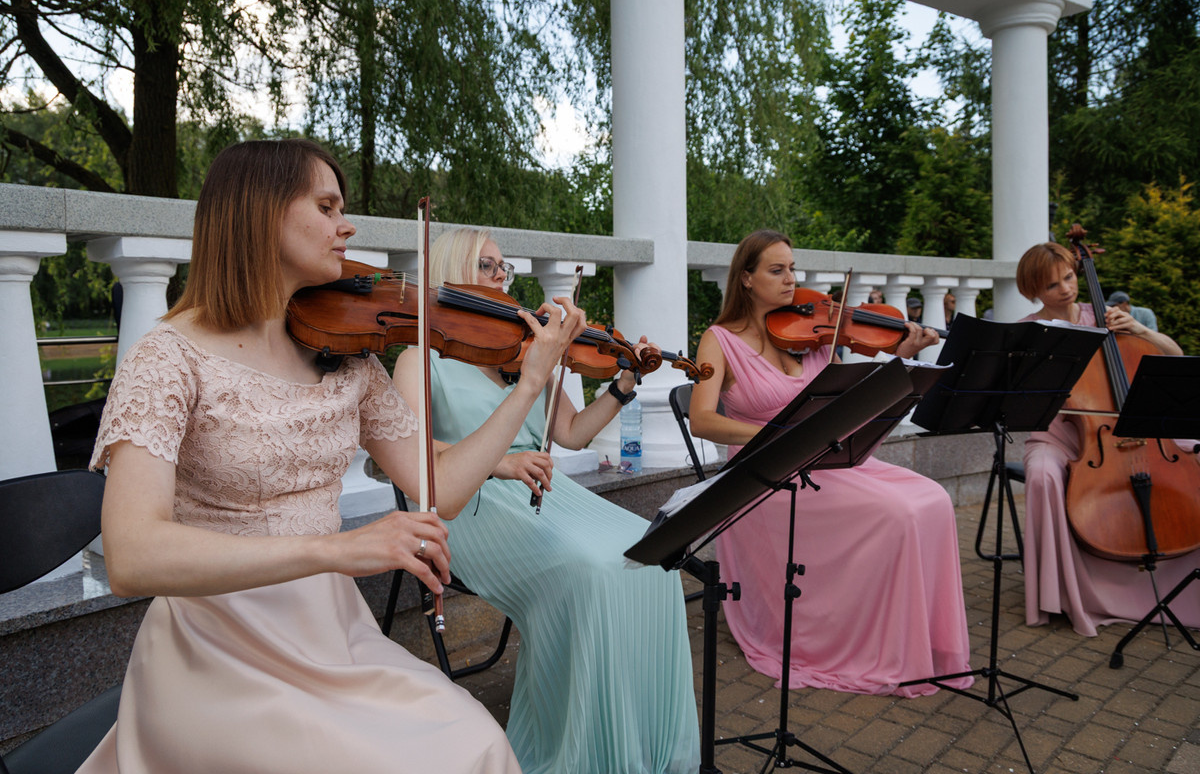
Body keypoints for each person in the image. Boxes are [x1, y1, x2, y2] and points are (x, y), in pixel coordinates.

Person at [80, 139, 588, 773]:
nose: (346, 225)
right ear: (258, 213)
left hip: (330, 632)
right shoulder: (168, 358)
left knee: (476, 744)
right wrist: (338, 550)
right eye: (325, 206)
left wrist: (533, 382)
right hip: (217, 648)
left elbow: (442, 489)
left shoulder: (348, 354)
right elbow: (129, 556)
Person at [391, 228, 700, 774]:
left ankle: (642, 740)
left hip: (545, 498)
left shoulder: (522, 355)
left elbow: (575, 433)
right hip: (473, 508)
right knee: (589, 572)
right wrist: (500, 461)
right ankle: (577, 749)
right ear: (453, 272)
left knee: (652, 554)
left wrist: (625, 383)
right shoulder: (420, 358)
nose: (502, 279)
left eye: (503, 269)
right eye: (488, 266)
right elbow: (415, 453)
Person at [688, 229, 974, 697]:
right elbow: (702, 420)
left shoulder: (815, 335)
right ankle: (870, 645)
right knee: (898, 514)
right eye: (776, 270)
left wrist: (899, 360)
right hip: (765, 478)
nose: (790, 280)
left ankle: (925, 647)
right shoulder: (718, 340)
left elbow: (850, 404)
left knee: (934, 499)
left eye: (792, 269)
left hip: (827, 460)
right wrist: (781, 437)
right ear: (745, 278)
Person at [1016, 242, 1200, 636]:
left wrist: (1141, 330)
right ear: (1034, 291)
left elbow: (1174, 354)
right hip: (1061, 432)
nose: (1065, 289)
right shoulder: (1030, 331)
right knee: (1043, 475)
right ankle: (1060, 592)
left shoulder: (1106, 316)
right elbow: (1019, 398)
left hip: (1131, 424)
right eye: (1052, 285)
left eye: (1068, 277)